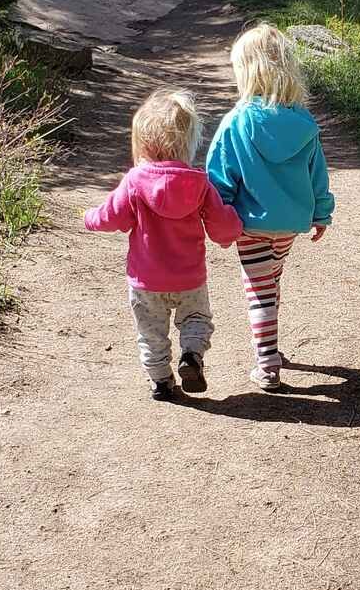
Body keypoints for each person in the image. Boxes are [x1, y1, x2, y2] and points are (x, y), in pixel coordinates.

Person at [85, 88, 243, 401]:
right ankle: (191, 355)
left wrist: (90, 217)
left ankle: (161, 381)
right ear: (188, 142)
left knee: (151, 334)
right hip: (189, 279)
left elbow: (111, 217)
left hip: (146, 280)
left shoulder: (134, 181)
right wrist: (234, 229)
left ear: (141, 142)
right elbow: (222, 226)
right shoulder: (199, 182)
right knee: (197, 321)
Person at [206, 24, 335, 391]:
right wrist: (321, 213)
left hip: (251, 224)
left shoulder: (236, 122)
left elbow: (219, 176)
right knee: (272, 279)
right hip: (290, 224)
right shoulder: (304, 123)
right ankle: (273, 348)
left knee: (258, 289)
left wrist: (218, 218)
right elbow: (318, 175)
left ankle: (266, 363)